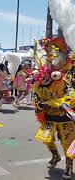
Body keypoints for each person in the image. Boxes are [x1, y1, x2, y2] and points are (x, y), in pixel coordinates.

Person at [33, 37, 75, 179]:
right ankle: (55, 156)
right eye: (48, 59)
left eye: (52, 57)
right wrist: (39, 105)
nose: (49, 61)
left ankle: (69, 167)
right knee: (46, 139)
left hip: (65, 119)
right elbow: (36, 96)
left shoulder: (64, 80)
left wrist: (62, 102)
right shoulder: (40, 82)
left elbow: (71, 94)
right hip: (49, 117)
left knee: (67, 143)